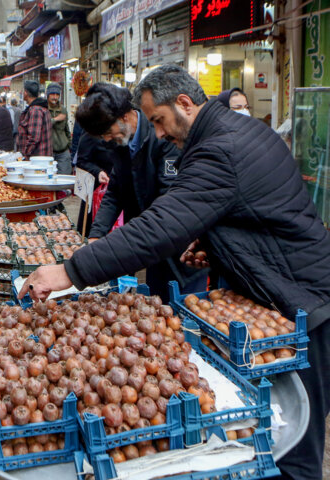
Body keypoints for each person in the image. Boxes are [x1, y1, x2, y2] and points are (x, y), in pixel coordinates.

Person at [19, 64, 330, 480]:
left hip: (303, 303)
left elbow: (162, 225)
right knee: (278, 431)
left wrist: (70, 271)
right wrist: (217, 244)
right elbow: (258, 214)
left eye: (159, 121)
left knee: (295, 448)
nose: (160, 133)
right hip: (284, 293)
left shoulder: (221, 149)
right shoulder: (236, 132)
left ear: (185, 103)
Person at [75, 82, 205, 301]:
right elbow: (115, 191)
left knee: (185, 309)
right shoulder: (120, 143)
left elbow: (170, 201)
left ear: (125, 116)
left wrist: (125, 243)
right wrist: (96, 235)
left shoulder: (163, 138)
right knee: (157, 305)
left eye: (108, 132)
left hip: (181, 248)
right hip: (152, 245)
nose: (107, 139)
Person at [74, 132, 116, 234]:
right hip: (96, 191)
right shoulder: (91, 134)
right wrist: (98, 172)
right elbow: (81, 161)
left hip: (118, 190)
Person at [17, 80, 53, 159]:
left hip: (37, 160)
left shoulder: (35, 110)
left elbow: (34, 137)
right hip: (41, 158)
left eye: (23, 91)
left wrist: (26, 155)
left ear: (26, 93)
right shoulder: (41, 108)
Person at [46, 82, 72, 174]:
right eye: (52, 94)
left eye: (57, 95)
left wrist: (69, 144)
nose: (55, 97)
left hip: (63, 151)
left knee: (65, 178)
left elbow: (66, 129)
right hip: (48, 152)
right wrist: (55, 119)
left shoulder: (63, 110)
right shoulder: (43, 109)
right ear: (48, 95)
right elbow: (43, 126)